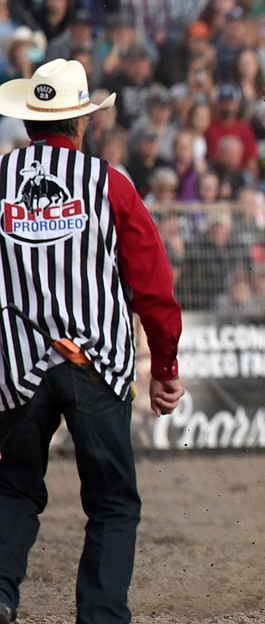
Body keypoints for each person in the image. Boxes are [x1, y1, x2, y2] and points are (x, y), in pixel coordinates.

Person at [0, 59, 184, 623]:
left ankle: (1, 592)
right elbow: (152, 281)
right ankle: (101, 616)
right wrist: (165, 364)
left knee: (11, 490)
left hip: (16, 364)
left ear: (31, 121)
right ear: (82, 120)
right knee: (111, 502)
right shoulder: (110, 183)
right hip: (94, 361)